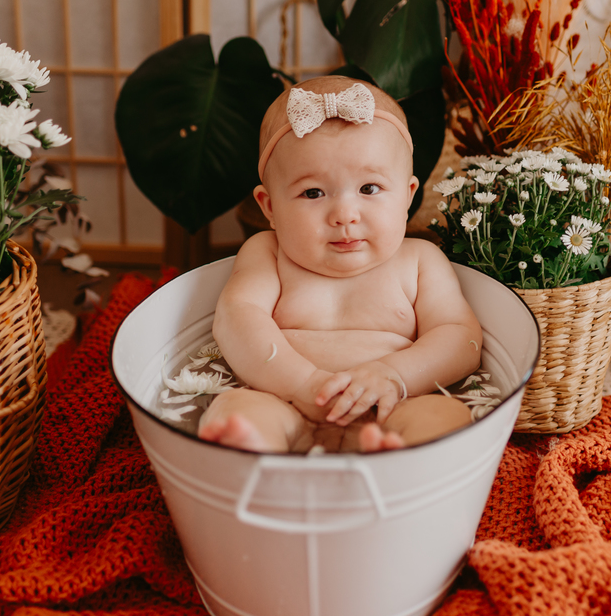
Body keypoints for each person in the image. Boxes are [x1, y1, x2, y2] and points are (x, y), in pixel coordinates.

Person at [199, 76, 483, 453]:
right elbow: (236, 319)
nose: (345, 215)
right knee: (236, 409)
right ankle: (257, 458)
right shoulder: (267, 253)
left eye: (369, 188)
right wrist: (302, 384)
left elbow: (460, 337)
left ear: (408, 196)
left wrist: (395, 376)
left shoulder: (419, 260)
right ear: (270, 207)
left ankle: (395, 462)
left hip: (394, 406)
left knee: (446, 418)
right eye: (312, 193)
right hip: (283, 400)